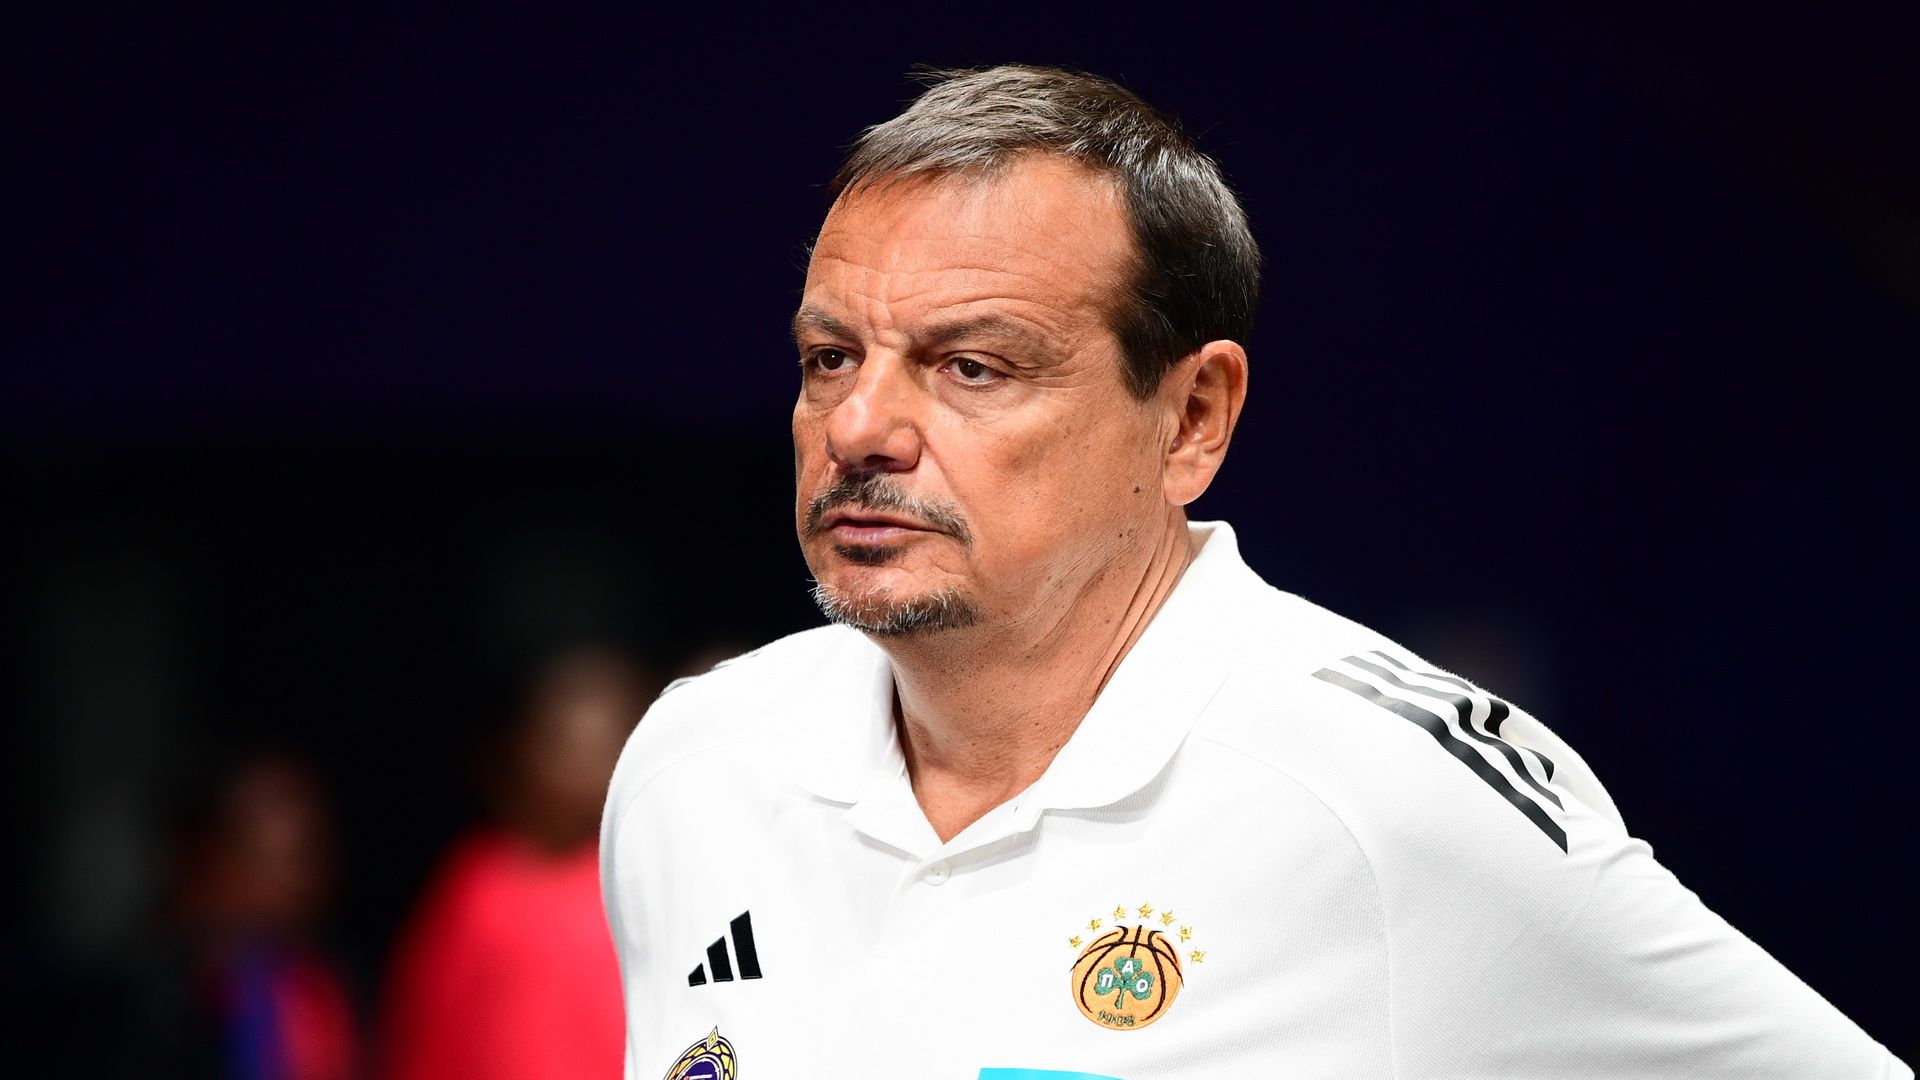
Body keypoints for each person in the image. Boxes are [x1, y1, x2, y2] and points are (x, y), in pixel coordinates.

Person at [600, 65, 1909, 1079]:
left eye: (971, 366)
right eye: (831, 358)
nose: (859, 427)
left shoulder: (1384, 801)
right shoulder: (693, 770)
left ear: (1191, 421)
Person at [380, 648, 646, 1080]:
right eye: (567, 745)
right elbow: (428, 1037)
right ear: (521, 750)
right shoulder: (478, 888)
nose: (590, 768)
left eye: (608, 745)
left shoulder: (647, 886)